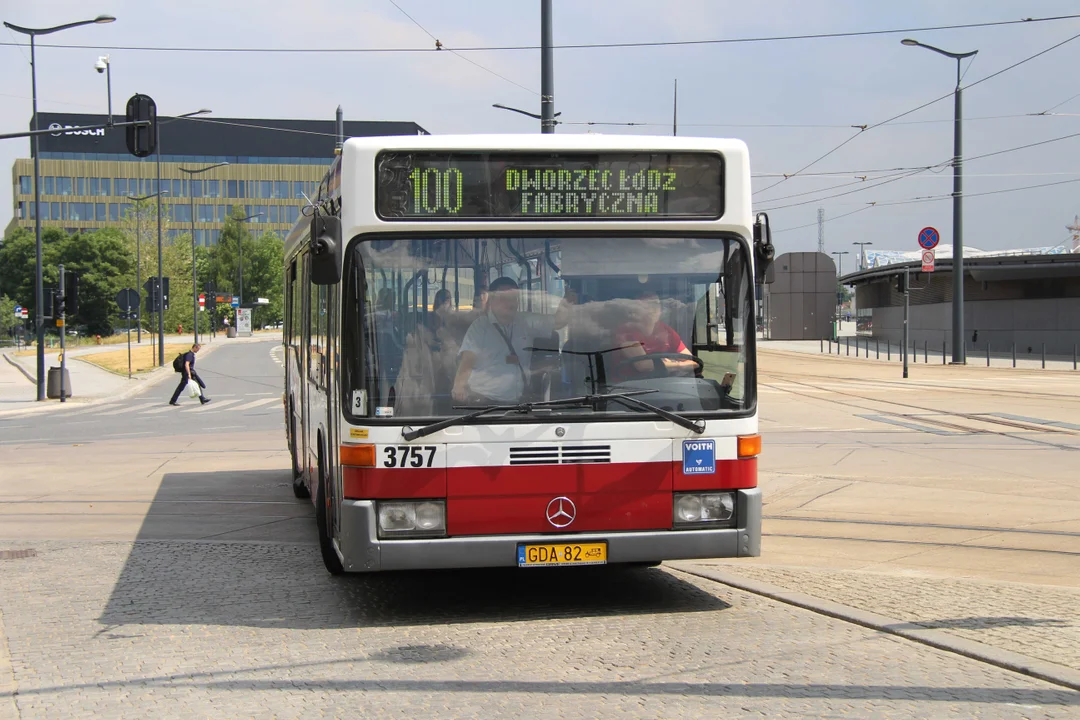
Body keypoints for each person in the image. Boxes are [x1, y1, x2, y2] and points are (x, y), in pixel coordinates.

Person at [452, 277, 574, 404]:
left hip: (518, 402)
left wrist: (568, 299)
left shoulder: (526, 321)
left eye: (514, 298)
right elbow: (468, 359)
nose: (510, 303)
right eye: (504, 298)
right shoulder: (481, 326)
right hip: (484, 402)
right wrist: (459, 386)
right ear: (492, 299)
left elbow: (558, 322)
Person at [612, 291, 696, 380]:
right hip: (629, 388)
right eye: (647, 305)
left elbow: (693, 362)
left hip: (665, 386)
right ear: (636, 310)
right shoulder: (626, 331)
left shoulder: (665, 330)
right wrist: (678, 364)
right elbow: (645, 366)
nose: (653, 309)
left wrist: (669, 365)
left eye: (656, 304)